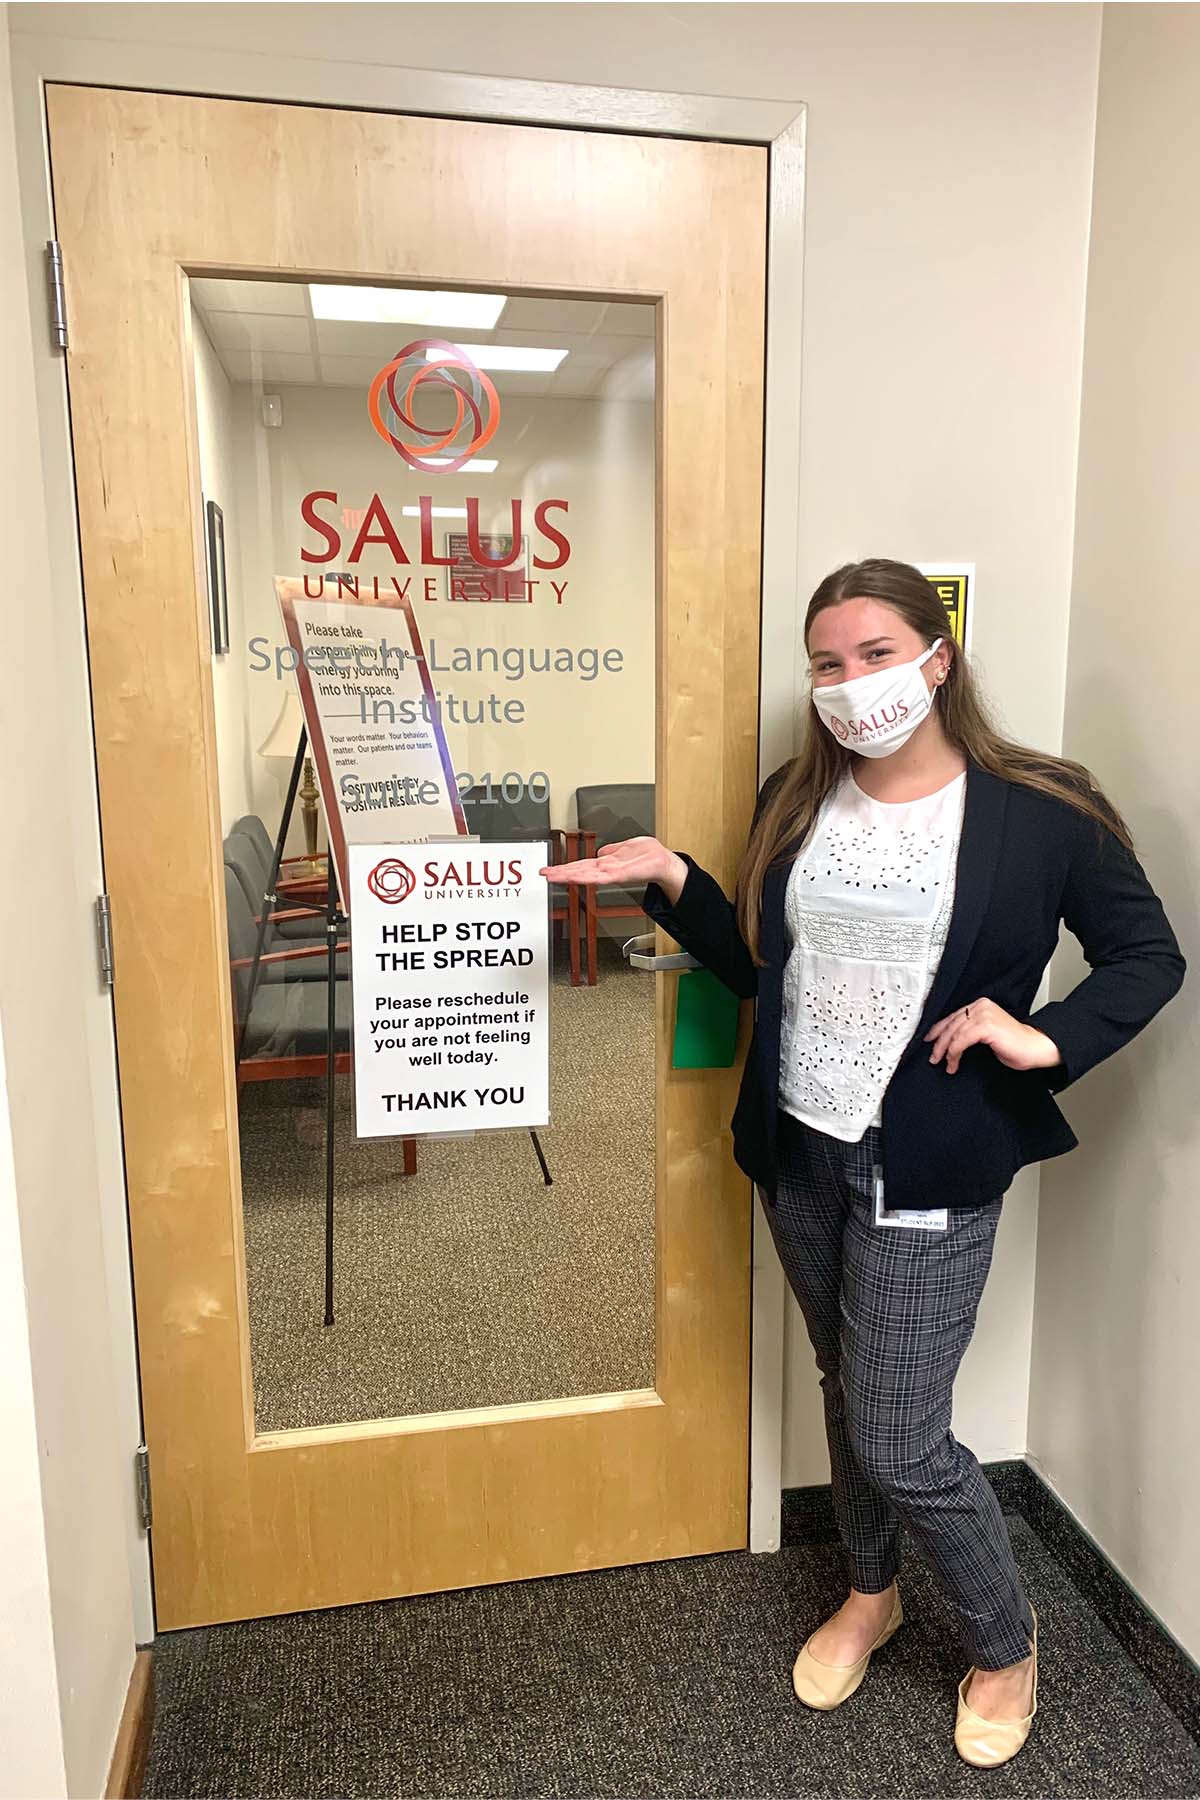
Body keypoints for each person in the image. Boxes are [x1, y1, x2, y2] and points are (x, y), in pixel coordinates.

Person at [539, 557, 1185, 1768]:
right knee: (847, 1386)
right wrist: (673, 878)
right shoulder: (797, 799)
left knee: (899, 1435)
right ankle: (872, 1591)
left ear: (939, 659)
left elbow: (1148, 957)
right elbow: (756, 969)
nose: (850, 684)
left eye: (876, 654)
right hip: (798, 1149)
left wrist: (1043, 1037)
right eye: (827, 664)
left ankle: (1004, 1641)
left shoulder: (1045, 809)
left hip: (928, 1160)